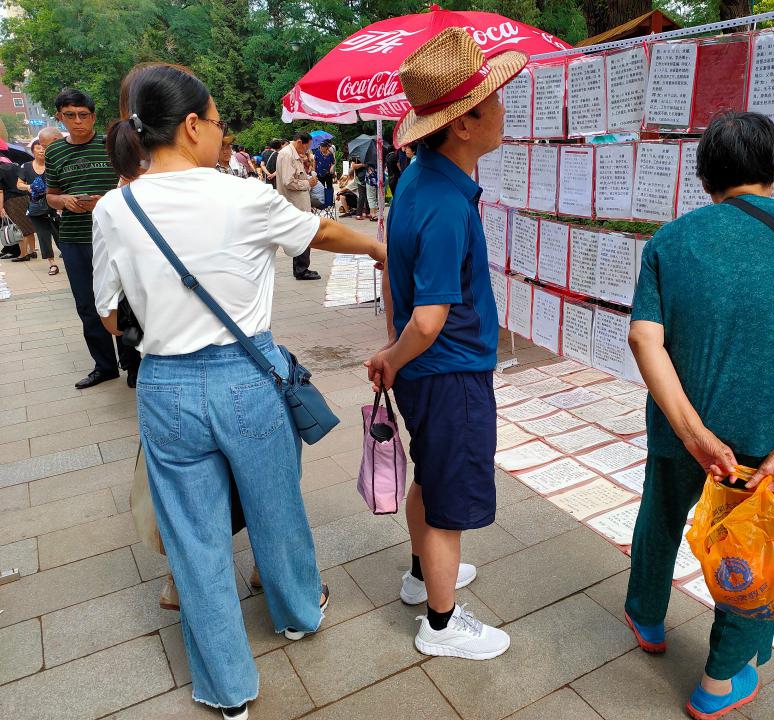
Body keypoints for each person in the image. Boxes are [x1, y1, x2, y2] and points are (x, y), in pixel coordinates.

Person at [93, 63, 385, 720]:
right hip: (246, 379)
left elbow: (110, 315)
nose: (221, 134)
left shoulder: (117, 206)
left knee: (194, 537)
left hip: (165, 388)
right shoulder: (242, 195)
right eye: (219, 122)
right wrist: (377, 250)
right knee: (275, 505)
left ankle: (227, 691)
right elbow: (322, 232)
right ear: (192, 125)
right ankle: (296, 614)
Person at [624, 111, 774, 720]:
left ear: (705, 175)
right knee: (753, 545)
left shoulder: (669, 242)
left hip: (683, 432)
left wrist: (695, 433)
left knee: (661, 515)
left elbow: (645, 341)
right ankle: (720, 679)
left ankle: (647, 615)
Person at [365, 27, 527, 661]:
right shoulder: (445, 203)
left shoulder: (418, 181)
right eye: (495, 100)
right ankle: (440, 624)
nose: (504, 109)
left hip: (428, 371)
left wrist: (393, 352)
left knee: (431, 476)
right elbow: (429, 318)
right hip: (449, 370)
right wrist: (391, 357)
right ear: (463, 123)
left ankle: (420, 575)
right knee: (448, 499)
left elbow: (392, 279)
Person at [46, 88, 141, 389]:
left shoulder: (110, 144)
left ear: (93, 116)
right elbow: (50, 195)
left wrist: (108, 201)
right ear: (60, 117)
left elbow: (134, 182)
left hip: (115, 236)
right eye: (69, 116)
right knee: (87, 304)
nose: (77, 122)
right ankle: (104, 365)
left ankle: (133, 364)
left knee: (123, 300)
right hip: (74, 238)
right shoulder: (54, 152)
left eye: (83, 115)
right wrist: (65, 201)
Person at [17, 129, 62, 275]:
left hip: (54, 207)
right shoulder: (26, 167)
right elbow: (19, 184)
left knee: (60, 235)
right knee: (43, 237)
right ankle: (52, 264)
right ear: (33, 150)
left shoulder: (53, 165)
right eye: (38, 148)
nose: (41, 151)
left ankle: (69, 257)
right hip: (36, 208)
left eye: (43, 148)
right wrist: (29, 187)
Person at [275, 132, 320, 281]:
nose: (307, 150)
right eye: (307, 146)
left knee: (302, 234)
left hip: (299, 202)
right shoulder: (288, 155)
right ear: (300, 142)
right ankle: (301, 269)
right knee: (303, 234)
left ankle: (301, 268)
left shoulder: (293, 154)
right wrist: (308, 183)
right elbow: (289, 181)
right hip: (295, 203)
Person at [0, 150, 37, 263]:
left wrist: (1, 207)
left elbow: (0, 192)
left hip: (11, 201)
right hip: (24, 197)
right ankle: (32, 251)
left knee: (19, 227)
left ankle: (23, 254)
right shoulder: (15, 166)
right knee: (28, 225)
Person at [313, 140, 336, 208]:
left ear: (326, 147)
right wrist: (314, 171)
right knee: (321, 187)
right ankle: (322, 202)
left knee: (329, 187)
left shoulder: (330, 154)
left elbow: (334, 162)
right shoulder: (317, 153)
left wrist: (332, 167)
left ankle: (330, 202)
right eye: (320, 147)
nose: (321, 148)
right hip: (319, 173)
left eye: (322, 147)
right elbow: (314, 162)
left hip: (328, 173)